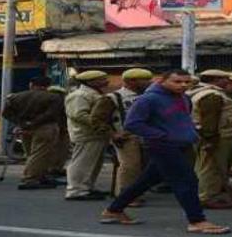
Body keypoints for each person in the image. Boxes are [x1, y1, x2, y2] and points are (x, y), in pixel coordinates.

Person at [100, 69, 231, 235]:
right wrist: (161, 135)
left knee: (147, 180)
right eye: (177, 81)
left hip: (182, 144)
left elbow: (183, 120)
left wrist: (192, 133)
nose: (183, 85)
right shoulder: (148, 99)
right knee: (186, 181)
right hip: (163, 145)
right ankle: (197, 220)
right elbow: (132, 124)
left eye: (186, 82)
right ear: (162, 81)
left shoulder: (184, 98)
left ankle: (114, 210)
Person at [189, 70, 232, 209]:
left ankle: (207, 194)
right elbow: (210, 120)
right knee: (211, 168)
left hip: (213, 135)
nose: (228, 81)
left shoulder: (204, 92)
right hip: (218, 136)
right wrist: (210, 139)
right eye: (225, 79)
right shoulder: (211, 95)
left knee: (206, 166)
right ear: (216, 80)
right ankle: (206, 197)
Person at [2, 76, 64, 190]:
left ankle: (40, 176)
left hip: (24, 129)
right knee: (41, 154)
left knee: (31, 153)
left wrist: (21, 123)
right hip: (45, 127)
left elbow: (6, 113)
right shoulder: (54, 97)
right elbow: (51, 114)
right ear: (47, 86)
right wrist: (33, 123)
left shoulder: (15, 97)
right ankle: (30, 179)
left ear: (31, 84)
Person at [105, 68, 154, 204]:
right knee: (130, 166)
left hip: (145, 136)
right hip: (126, 137)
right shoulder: (114, 97)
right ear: (131, 81)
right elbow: (97, 119)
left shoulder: (146, 97)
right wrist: (113, 134)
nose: (149, 83)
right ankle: (125, 195)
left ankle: (134, 192)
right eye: (144, 80)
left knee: (141, 167)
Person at [64, 70, 112, 201]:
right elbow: (79, 115)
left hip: (96, 134)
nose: (106, 81)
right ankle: (76, 190)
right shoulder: (80, 95)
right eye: (102, 79)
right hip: (86, 134)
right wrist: (98, 123)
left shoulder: (94, 93)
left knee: (93, 164)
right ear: (91, 82)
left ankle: (87, 187)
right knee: (82, 163)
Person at [46, 86, 70, 180]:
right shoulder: (60, 102)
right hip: (57, 128)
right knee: (57, 149)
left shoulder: (52, 102)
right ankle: (53, 168)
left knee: (60, 149)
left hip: (59, 128)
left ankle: (56, 168)